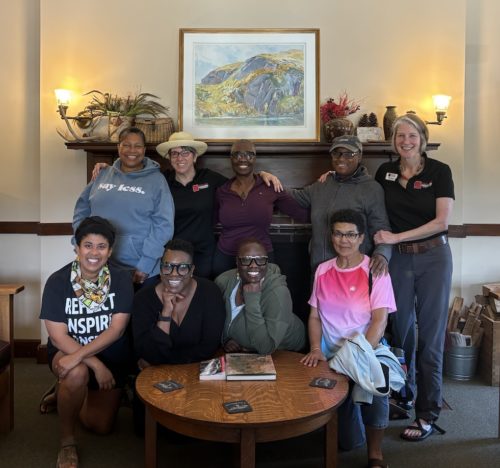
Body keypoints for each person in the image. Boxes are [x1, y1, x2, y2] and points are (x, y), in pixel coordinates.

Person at [93, 131, 282, 278]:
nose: (180, 157)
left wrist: (263, 175)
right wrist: (110, 169)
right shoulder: (160, 181)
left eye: (185, 152)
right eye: (174, 153)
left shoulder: (210, 178)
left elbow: (241, 183)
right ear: (169, 157)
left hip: (205, 253)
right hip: (172, 254)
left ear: (195, 156)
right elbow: (133, 176)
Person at [374, 112, 454, 441]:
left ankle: (427, 413)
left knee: (431, 339)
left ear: (422, 138)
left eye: (411, 135)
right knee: (401, 331)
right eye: (399, 136)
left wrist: (394, 238)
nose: (405, 141)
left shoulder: (440, 171)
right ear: (393, 142)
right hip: (400, 263)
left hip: (434, 258)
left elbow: (441, 222)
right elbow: (367, 199)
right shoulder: (385, 172)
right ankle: (403, 395)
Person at [301, 209, 397, 468]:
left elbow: (380, 320)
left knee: (375, 389)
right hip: (332, 356)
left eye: (351, 235)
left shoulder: (375, 270)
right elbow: (314, 317)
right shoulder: (322, 270)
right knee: (347, 442)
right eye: (338, 233)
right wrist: (314, 349)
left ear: (361, 237)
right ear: (331, 236)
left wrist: (358, 355)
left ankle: (376, 455)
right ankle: (350, 424)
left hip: (367, 351)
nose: (344, 240)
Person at [39, 216, 133, 468]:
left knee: (100, 426)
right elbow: (58, 336)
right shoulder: (58, 282)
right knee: (76, 372)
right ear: (77, 248)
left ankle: (64, 395)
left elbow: (117, 330)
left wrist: (102, 364)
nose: (94, 252)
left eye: (101, 246)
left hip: (111, 356)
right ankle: (67, 442)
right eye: (88, 245)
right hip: (68, 353)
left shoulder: (122, 278)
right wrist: (94, 365)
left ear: (110, 250)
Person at [74, 127, 174, 287]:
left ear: (144, 149)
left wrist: (146, 264)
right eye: (126, 145)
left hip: (138, 268)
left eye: (138, 146)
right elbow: (81, 210)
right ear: (118, 147)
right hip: (98, 264)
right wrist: (79, 242)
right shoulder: (102, 174)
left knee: (135, 311)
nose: (132, 150)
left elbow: (163, 226)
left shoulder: (157, 180)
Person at [291, 135, 391, 275]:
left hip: (353, 271)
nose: (341, 158)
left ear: (360, 156)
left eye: (349, 154)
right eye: (336, 153)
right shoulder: (322, 184)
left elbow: (381, 228)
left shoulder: (371, 189)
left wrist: (382, 254)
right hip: (319, 270)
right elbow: (291, 197)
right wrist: (264, 179)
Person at [213, 139, 309, 277]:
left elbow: (299, 213)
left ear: (255, 158)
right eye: (237, 154)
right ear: (231, 158)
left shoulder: (270, 187)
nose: (243, 159)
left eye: (249, 154)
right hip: (226, 257)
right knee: (225, 297)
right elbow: (209, 219)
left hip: (261, 258)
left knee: (263, 297)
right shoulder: (222, 191)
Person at [132, 238, 225, 366]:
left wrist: (162, 361)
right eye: (168, 266)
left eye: (182, 268)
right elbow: (147, 351)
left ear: (192, 270)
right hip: (155, 373)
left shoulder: (210, 292)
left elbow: (209, 346)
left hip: (197, 369)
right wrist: (165, 314)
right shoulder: (142, 299)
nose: (174, 274)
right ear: (160, 269)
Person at [215, 238, 305, 354]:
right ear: (237, 262)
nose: (253, 265)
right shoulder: (224, 281)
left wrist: (252, 298)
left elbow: (266, 348)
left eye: (260, 259)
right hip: (245, 353)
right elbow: (215, 319)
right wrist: (226, 339)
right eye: (246, 260)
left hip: (288, 352)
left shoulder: (278, 292)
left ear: (266, 262)